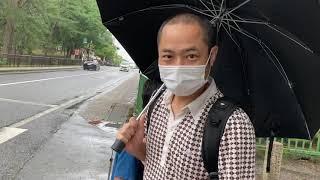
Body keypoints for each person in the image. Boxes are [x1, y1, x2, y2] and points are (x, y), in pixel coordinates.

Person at [116, 13, 256, 179]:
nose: (178, 66)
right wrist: (139, 150)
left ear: (212, 56)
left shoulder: (234, 125)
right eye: (168, 56)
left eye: (191, 56)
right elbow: (160, 170)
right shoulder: (156, 103)